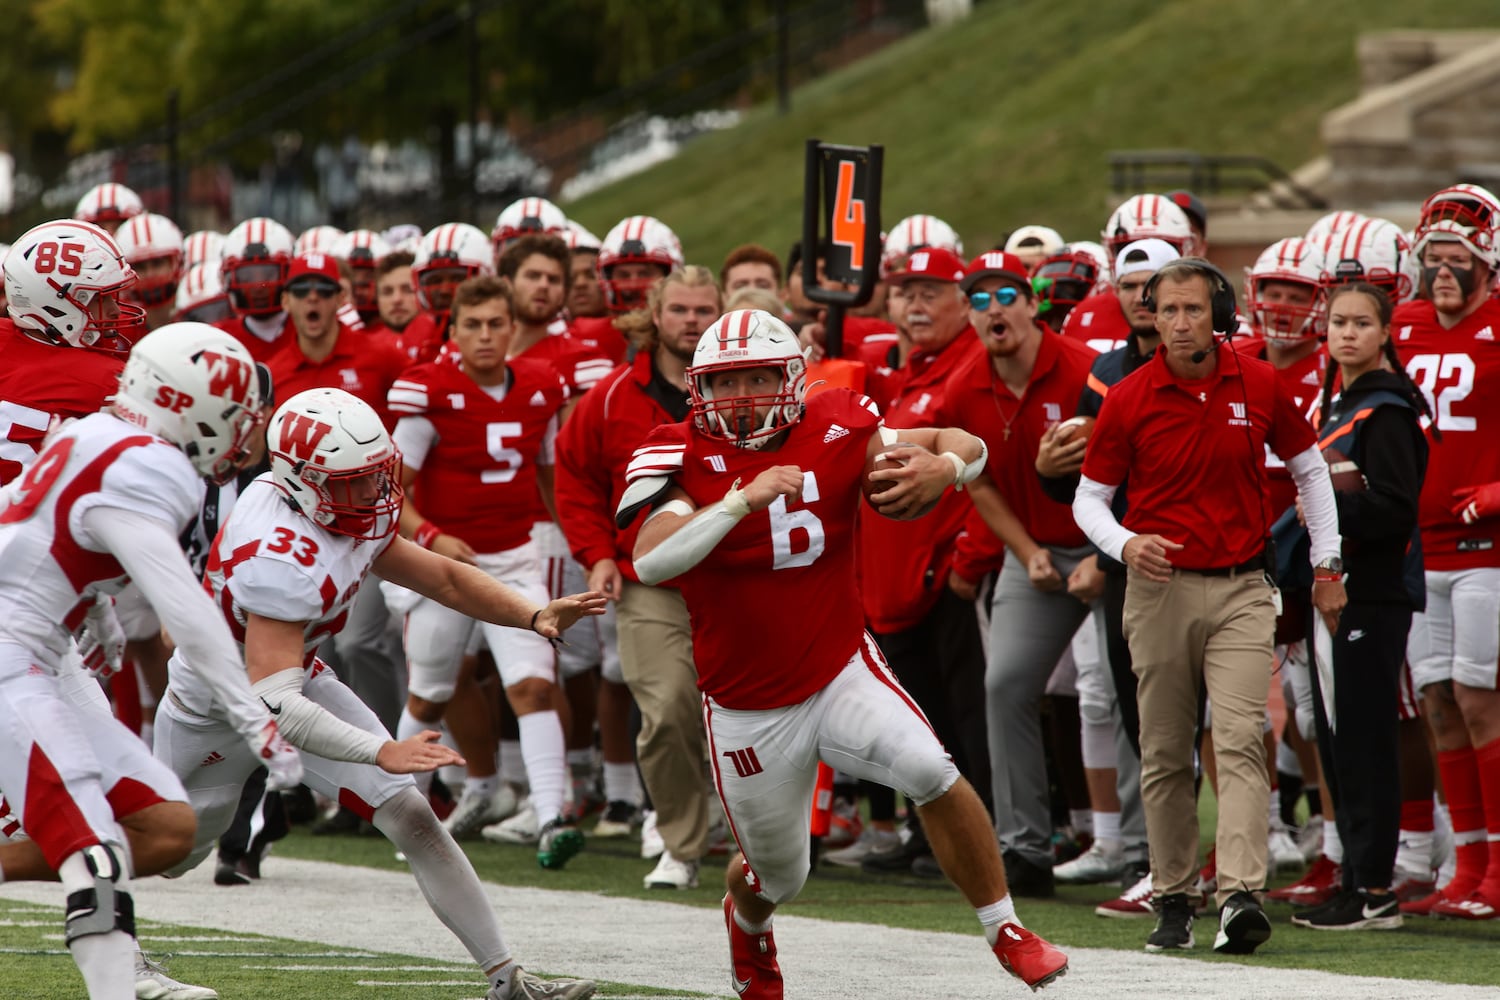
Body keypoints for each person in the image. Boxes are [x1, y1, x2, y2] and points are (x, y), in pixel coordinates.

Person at [623, 308, 1067, 996]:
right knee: (779, 875)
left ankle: (1006, 928)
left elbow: (966, 443)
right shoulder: (673, 452)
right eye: (728, 382)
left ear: (793, 378)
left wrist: (944, 466)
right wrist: (739, 502)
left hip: (838, 667)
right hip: (745, 703)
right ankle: (748, 924)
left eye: (760, 377)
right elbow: (651, 562)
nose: (743, 398)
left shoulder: (839, 424)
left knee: (930, 769)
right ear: (699, 390)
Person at [152, 386, 603, 1000]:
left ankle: (508, 980)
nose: (371, 493)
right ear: (303, 482)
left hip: (293, 684)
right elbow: (272, 704)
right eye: (351, 482)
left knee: (410, 814)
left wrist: (531, 615)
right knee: (169, 852)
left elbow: (442, 576)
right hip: (216, 710)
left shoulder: (344, 507)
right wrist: (378, 751)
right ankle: (109, 944)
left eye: (374, 475)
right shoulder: (278, 551)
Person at [0, 321, 302, 1000]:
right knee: (96, 850)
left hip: (41, 650)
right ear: (197, 408)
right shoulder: (151, 464)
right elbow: (186, 609)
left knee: (164, 826)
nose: (242, 433)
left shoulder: (96, 434)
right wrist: (253, 717)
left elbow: (41, 528)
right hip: (11, 653)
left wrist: (97, 612)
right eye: (234, 417)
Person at [1073, 257, 1344, 955]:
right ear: (1151, 318)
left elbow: (1309, 469)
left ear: (1219, 314)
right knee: (1164, 749)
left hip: (1243, 585)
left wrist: (1326, 560)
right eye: (1170, 311)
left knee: (1240, 736)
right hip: (1158, 588)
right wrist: (1127, 545)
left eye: (1195, 309)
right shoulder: (1128, 397)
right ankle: (1172, 895)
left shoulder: (1259, 381)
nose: (1183, 323)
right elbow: (1089, 499)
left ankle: (1240, 895)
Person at [388, 275, 579, 860]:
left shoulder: (542, 387)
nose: (486, 336)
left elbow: (550, 476)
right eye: (473, 325)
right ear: (454, 331)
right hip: (444, 566)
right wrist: (432, 535)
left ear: (513, 327)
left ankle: (552, 816)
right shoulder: (429, 392)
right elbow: (391, 490)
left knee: (532, 685)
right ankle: (402, 814)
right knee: (430, 694)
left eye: (497, 323)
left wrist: (579, 539)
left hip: (516, 558)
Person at [553, 267, 722, 890]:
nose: (692, 320)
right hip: (648, 577)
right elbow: (572, 474)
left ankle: (759, 838)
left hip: (735, 576)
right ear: (655, 314)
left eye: (704, 308)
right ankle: (680, 841)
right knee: (669, 706)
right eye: (679, 308)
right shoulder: (612, 395)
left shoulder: (748, 389)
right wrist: (596, 552)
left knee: (756, 713)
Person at [939, 250, 1100, 898]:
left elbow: (1130, 472)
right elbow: (978, 485)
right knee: (1005, 683)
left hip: (1104, 546)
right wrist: (1026, 549)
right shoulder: (962, 387)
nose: (994, 310)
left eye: (1006, 295)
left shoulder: (1086, 369)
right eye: (978, 301)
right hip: (1030, 550)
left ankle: (1145, 854)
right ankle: (1024, 849)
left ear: (1033, 304)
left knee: (1121, 691)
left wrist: (1101, 551)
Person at [1287, 282, 1430, 931]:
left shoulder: (1388, 411)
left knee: (1366, 738)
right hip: (1334, 588)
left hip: (1371, 591)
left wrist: (1327, 507)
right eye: (1339, 322)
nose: (1347, 333)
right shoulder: (1337, 401)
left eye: (1361, 323)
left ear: (1384, 332)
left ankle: (1376, 886)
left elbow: (1397, 508)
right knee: (1340, 738)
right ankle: (1354, 875)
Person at [1394, 184, 1500, 920]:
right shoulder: (1401, 325)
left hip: (1486, 548)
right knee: (1436, 703)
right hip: (1417, 548)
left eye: (1455, 256)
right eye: (1432, 255)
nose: (1440, 270)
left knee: (1479, 699)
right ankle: (1465, 863)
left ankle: (1498, 866)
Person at [215, 218, 297, 362]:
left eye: (268, 274)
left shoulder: (311, 329)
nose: (258, 286)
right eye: (247, 276)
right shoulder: (218, 340)